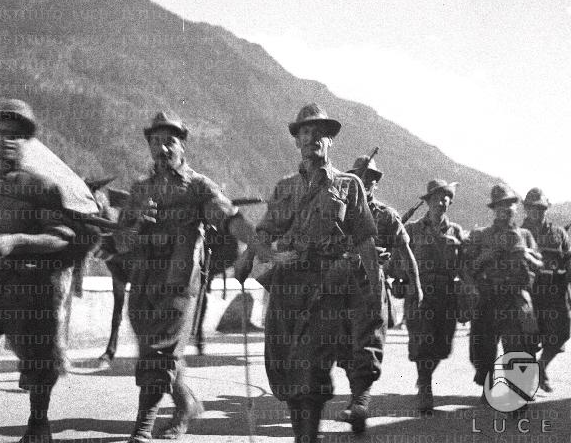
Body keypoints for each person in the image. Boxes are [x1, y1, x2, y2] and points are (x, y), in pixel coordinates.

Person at [237, 103, 380, 443]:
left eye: (321, 133)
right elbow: (266, 230)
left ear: (330, 141)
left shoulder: (349, 185)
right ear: (297, 140)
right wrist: (245, 259)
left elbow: (364, 242)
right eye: (306, 132)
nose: (313, 138)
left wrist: (371, 290)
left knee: (313, 364)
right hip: (286, 285)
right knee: (285, 364)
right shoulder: (284, 187)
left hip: (326, 287)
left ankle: (307, 438)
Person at [114, 111, 258, 443]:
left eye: (169, 142)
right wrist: (135, 223)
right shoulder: (139, 189)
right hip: (144, 282)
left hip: (180, 281)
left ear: (182, 146)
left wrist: (260, 249)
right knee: (156, 352)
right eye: (155, 142)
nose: (162, 149)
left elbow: (230, 218)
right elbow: (121, 243)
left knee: (160, 352)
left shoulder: (198, 187)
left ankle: (143, 427)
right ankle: (187, 405)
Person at [0, 99, 99, 443]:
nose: (7, 140)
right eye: (1, 132)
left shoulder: (42, 186)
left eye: (16, 134)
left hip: (28, 284)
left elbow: (62, 236)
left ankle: (38, 423)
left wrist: (16, 240)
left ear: (27, 141)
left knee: (39, 360)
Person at [336, 156, 422, 430]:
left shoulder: (386, 215)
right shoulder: (338, 211)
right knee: (344, 345)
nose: (368, 183)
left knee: (368, 340)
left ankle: (360, 400)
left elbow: (407, 252)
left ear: (376, 183)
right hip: (340, 284)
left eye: (372, 179)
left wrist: (416, 285)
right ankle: (357, 398)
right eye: (362, 177)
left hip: (371, 284)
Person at [466, 184, 543, 392]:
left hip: (515, 298)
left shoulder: (525, 235)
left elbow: (539, 264)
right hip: (488, 298)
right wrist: (485, 257)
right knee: (482, 350)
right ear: (493, 209)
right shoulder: (480, 235)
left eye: (510, 204)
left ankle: (516, 393)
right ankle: (488, 383)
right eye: (500, 205)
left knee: (517, 347)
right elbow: (467, 268)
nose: (506, 208)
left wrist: (525, 254)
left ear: (516, 208)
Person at [405, 179, 465, 413]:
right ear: (428, 201)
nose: (442, 202)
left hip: (447, 295)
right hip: (420, 294)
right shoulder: (411, 230)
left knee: (443, 346)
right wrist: (398, 279)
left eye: (446, 198)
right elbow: (397, 259)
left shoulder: (456, 232)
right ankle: (425, 387)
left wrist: (469, 290)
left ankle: (425, 377)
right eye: (438, 198)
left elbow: (464, 265)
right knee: (423, 341)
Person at [522, 187, 571, 392]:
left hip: (555, 292)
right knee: (529, 337)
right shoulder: (519, 233)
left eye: (541, 208)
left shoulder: (558, 232)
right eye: (533, 208)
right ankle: (530, 381)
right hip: (530, 292)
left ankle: (541, 367)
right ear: (526, 209)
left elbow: (568, 258)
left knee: (562, 331)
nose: (538, 212)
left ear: (546, 209)